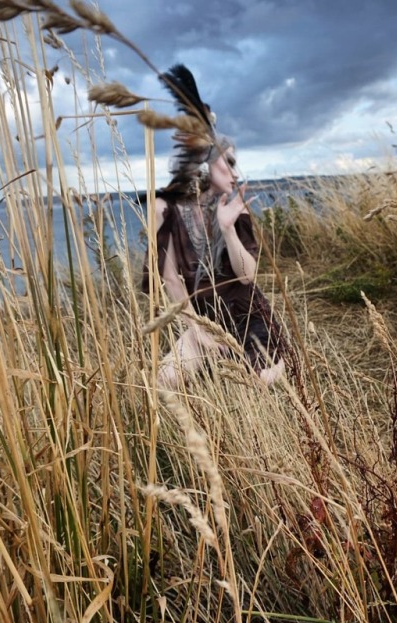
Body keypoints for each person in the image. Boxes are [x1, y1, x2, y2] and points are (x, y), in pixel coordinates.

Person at [142, 65, 287, 388]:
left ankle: (273, 363)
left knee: (261, 381)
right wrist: (197, 329)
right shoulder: (164, 208)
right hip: (201, 317)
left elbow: (248, 275)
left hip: (248, 316)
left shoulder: (234, 208)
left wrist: (229, 229)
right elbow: (169, 278)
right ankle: (210, 367)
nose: (236, 173)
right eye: (230, 162)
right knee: (163, 380)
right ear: (205, 161)